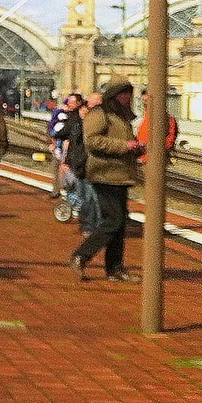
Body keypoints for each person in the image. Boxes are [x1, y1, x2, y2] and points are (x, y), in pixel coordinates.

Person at [71, 81, 144, 283]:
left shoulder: (121, 117)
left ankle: (115, 268)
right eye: (124, 94)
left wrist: (135, 147)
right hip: (104, 174)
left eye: (130, 94)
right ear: (114, 95)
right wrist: (124, 145)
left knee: (119, 223)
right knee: (114, 220)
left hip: (119, 175)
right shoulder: (99, 114)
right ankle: (82, 255)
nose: (128, 98)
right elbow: (92, 140)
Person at [48, 94, 82, 199]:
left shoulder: (76, 117)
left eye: (72, 102)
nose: (70, 104)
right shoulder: (63, 114)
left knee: (69, 174)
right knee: (57, 168)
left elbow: (64, 131)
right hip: (61, 148)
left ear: (79, 103)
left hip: (70, 150)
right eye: (69, 102)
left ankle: (72, 198)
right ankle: (57, 189)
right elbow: (52, 127)